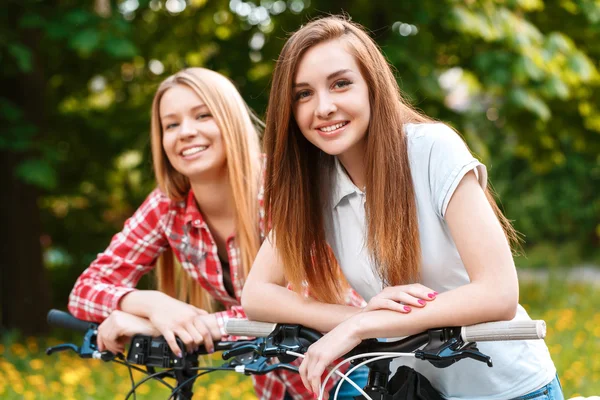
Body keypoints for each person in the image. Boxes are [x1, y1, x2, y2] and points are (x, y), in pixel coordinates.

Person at [241, 16, 563, 400]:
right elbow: (258, 294)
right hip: (417, 390)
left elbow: (499, 292)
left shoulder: (431, 149)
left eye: (341, 84)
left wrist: (367, 326)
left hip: (508, 388)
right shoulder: (316, 184)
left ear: (372, 87)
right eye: (303, 94)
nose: (323, 107)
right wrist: (355, 320)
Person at [68, 67, 365, 400]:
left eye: (202, 115)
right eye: (171, 124)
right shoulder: (168, 207)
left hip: (350, 371)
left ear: (230, 121)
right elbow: (84, 291)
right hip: (275, 383)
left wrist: (166, 328)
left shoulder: (281, 187)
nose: (186, 132)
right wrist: (152, 304)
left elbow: (293, 302)